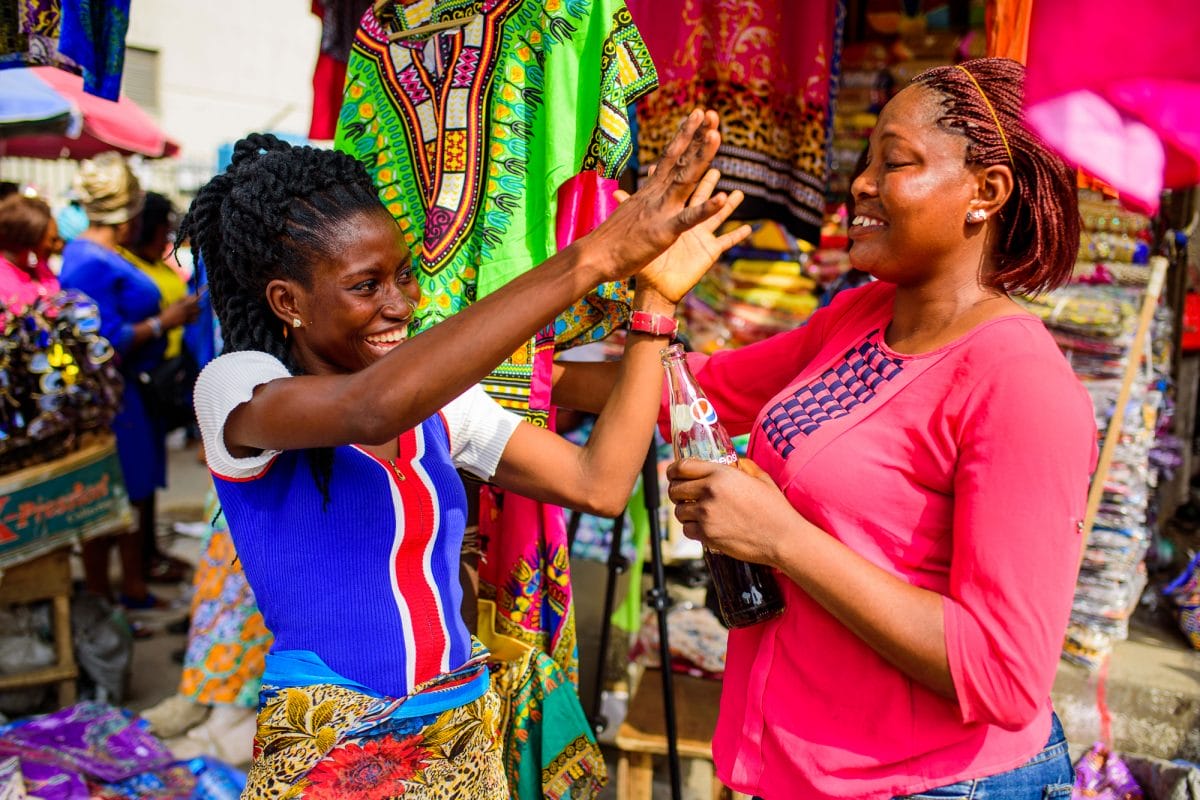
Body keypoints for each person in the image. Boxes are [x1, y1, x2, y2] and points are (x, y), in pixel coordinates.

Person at [555, 58, 1096, 800]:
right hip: (805, 772)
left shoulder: (1021, 383)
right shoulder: (862, 318)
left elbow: (1002, 674)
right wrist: (510, 375)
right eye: (866, 159)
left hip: (937, 786)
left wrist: (781, 538)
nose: (862, 185)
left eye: (896, 162)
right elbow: (698, 390)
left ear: (987, 192)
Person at [186, 112, 747, 795]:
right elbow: (372, 406)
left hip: (461, 728)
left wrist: (653, 304)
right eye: (367, 286)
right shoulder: (237, 390)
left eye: (405, 276)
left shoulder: (438, 405)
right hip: (335, 744)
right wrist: (593, 258)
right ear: (288, 301)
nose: (400, 305)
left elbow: (598, 483)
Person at [59, 153, 201, 608]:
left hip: (133, 393)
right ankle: (119, 595)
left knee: (135, 491)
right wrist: (165, 321)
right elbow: (102, 339)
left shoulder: (99, 255)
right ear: (129, 216)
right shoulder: (88, 262)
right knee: (115, 496)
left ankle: (135, 582)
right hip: (113, 398)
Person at [0, 193, 63, 308]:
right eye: (52, 240)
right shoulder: (4, 283)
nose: (57, 246)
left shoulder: (41, 268)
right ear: (31, 239)